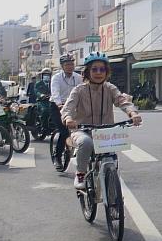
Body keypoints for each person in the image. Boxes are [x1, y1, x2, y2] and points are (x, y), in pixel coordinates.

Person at [62, 52, 142, 191]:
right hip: (83, 131)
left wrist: (133, 113)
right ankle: (80, 174)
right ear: (87, 72)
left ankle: (111, 182)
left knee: (111, 158)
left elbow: (122, 101)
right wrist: (68, 119)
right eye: (94, 69)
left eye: (102, 69)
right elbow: (67, 108)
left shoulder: (110, 88)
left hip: (106, 132)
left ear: (106, 72)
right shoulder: (79, 90)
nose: (98, 73)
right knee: (86, 143)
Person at [50, 54, 82, 170]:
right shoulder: (56, 78)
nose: (70, 67)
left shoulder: (78, 77)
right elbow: (55, 93)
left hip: (72, 106)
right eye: (67, 65)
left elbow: (81, 91)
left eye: (71, 64)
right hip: (57, 106)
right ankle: (57, 157)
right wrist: (59, 105)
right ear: (62, 66)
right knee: (63, 132)